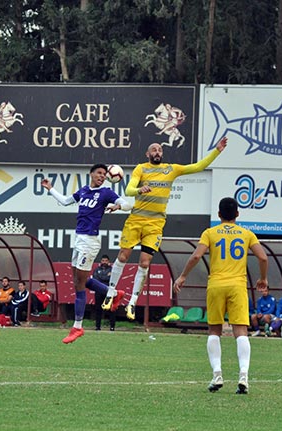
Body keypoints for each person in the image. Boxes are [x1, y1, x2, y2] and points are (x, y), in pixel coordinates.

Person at [102, 136, 229, 321]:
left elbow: (198, 167)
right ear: (148, 154)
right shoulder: (141, 168)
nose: (157, 152)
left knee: (144, 263)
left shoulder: (171, 169)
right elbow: (129, 190)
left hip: (155, 224)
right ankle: (110, 292)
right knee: (123, 255)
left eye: (160, 150)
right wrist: (139, 190)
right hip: (136, 219)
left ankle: (132, 302)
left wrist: (216, 151)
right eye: (153, 149)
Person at [173, 197, 268, 395]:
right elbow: (263, 257)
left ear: (218, 215)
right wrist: (263, 279)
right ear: (238, 214)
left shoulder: (210, 233)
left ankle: (217, 375)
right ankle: (243, 376)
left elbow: (197, 256)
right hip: (238, 286)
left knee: (214, 330)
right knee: (241, 331)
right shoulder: (246, 233)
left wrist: (182, 277)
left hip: (216, 285)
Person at [42, 164, 131, 344]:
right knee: (78, 279)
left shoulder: (106, 193)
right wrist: (51, 189)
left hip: (90, 241)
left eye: (104, 174)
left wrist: (118, 207)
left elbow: (127, 205)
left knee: (79, 285)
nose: (102, 176)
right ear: (91, 174)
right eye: (99, 173)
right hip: (78, 239)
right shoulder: (83, 191)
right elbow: (66, 201)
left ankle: (77, 327)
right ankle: (112, 293)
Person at [92, 255, 116, 331]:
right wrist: (105, 277)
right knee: (98, 309)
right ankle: (97, 327)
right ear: (100, 261)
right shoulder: (97, 270)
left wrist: (103, 278)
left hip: (109, 291)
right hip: (99, 291)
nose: (104, 262)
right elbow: (96, 279)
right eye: (103, 260)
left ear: (108, 262)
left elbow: (111, 279)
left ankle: (112, 327)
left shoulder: (112, 270)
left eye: (106, 261)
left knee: (111, 309)